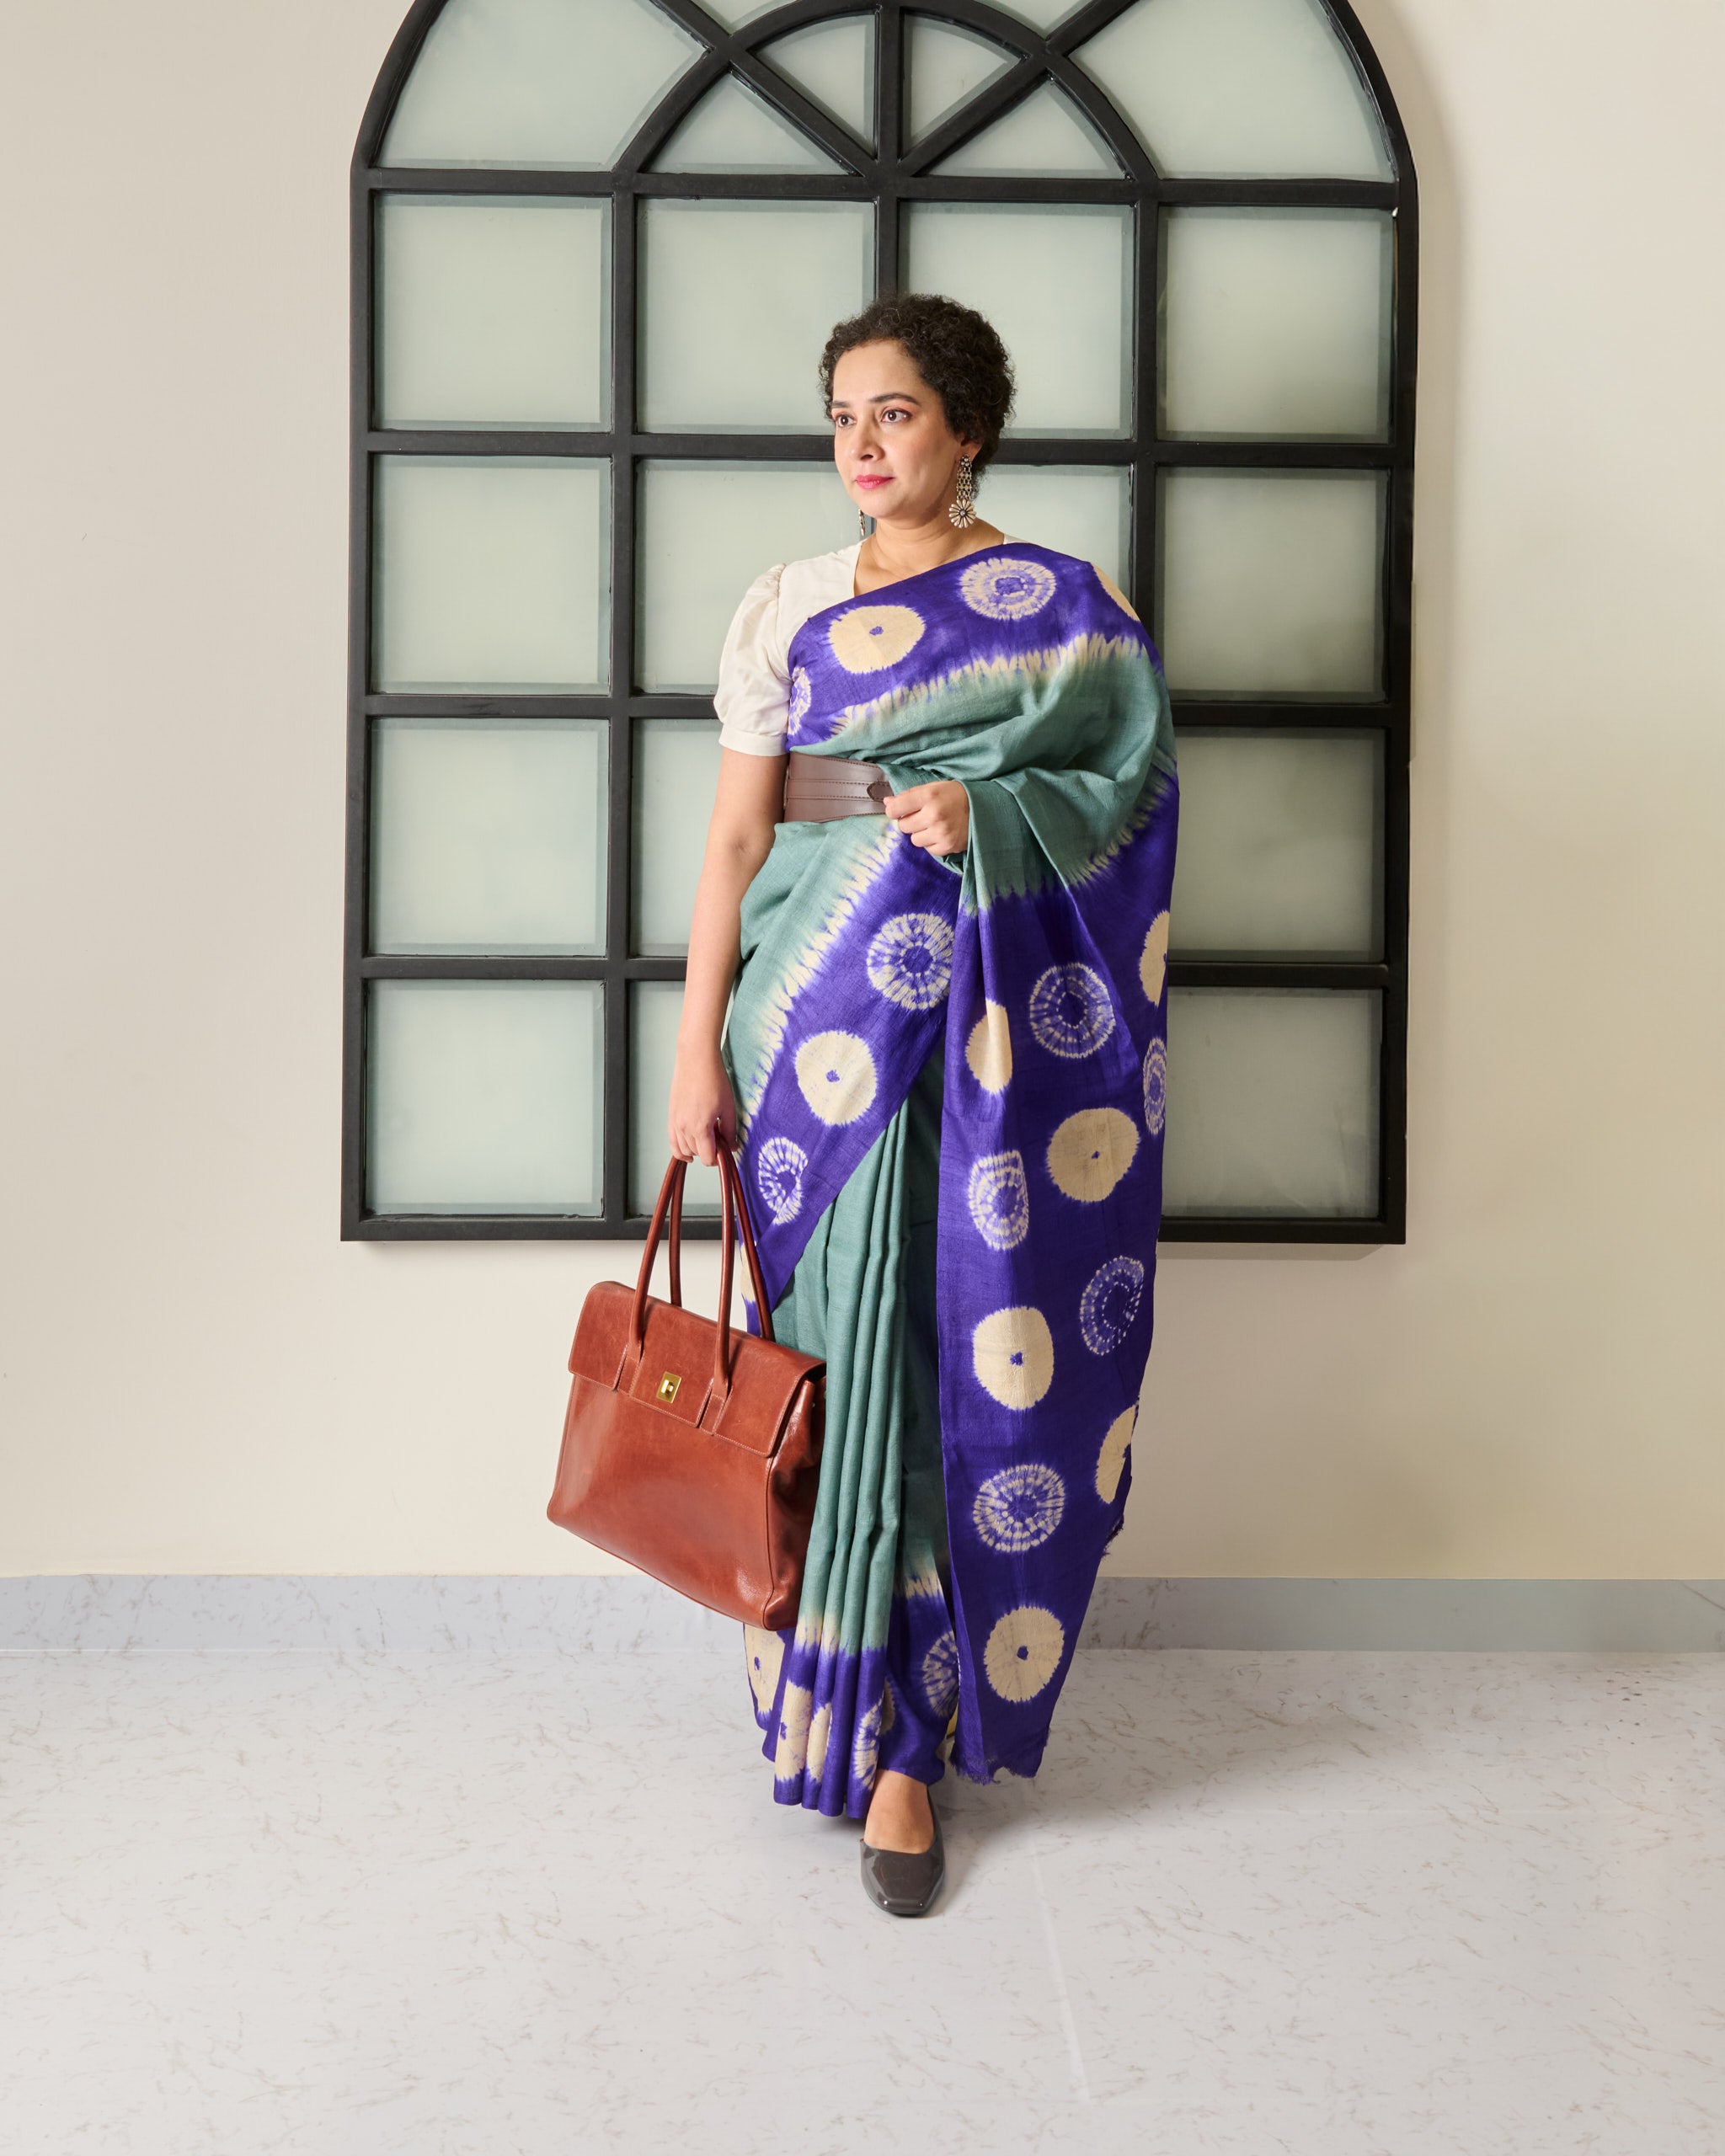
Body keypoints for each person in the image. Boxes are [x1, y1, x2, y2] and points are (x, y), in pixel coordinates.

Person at [667, 291, 1178, 1917]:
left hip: (984, 1044)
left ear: (966, 427)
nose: (862, 447)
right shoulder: (786, 606)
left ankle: (905, 1752)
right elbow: (741, 846)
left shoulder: (1064, 611)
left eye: (892, 414)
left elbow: (1130, 795)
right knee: (830, 1360)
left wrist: (996, 807)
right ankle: (823, 1694)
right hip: (809, 1022)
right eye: (840, 418)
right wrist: (695, 1053)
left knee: (955, 1345)